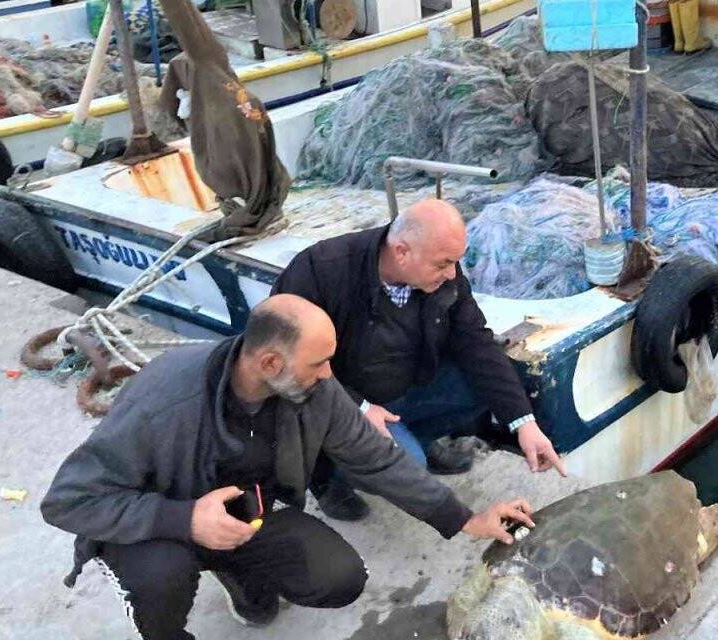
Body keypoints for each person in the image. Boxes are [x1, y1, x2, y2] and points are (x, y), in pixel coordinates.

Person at [40, 295, 534, 639]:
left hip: (247, 517)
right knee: (160, 580)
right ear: (271, 363)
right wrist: (184, 520)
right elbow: (68, 499)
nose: (329, 375)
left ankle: (240, 575)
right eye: (319, 363)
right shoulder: (162, 401)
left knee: (340, 577)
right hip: (157, 527)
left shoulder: (313, 391)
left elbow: (376, 457)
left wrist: (463, 517)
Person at [272, 198, 565, 521]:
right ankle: (327, 478)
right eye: (442, 264)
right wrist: (358, 408)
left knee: (493, 378)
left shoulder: (444, 275)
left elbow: (475, 342)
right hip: (339, 402)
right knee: (408, 467)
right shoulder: (319, 270)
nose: (452, 273)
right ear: (401, 252)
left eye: (456, 262)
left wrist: (524, 423)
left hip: (404, 387)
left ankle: (419, 438)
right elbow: (287, 361)